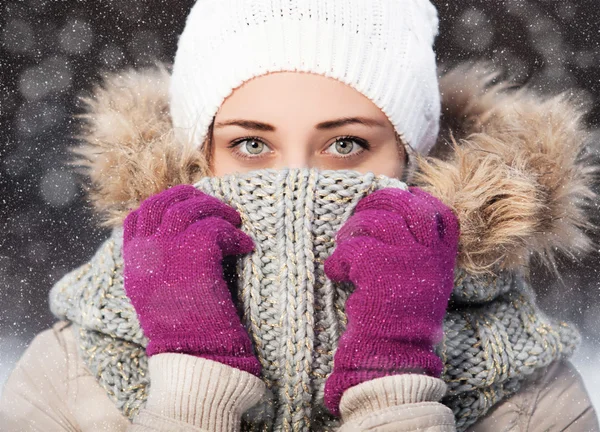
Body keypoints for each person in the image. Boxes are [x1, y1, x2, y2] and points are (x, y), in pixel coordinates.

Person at [1, 0, 598, 431]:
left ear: (411, 160)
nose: (295, 180)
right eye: (252, 145)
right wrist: (188, 387)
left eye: (345, 145)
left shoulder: (526, 385)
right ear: (199, 154)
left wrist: (394, 385)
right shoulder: (75, 366)